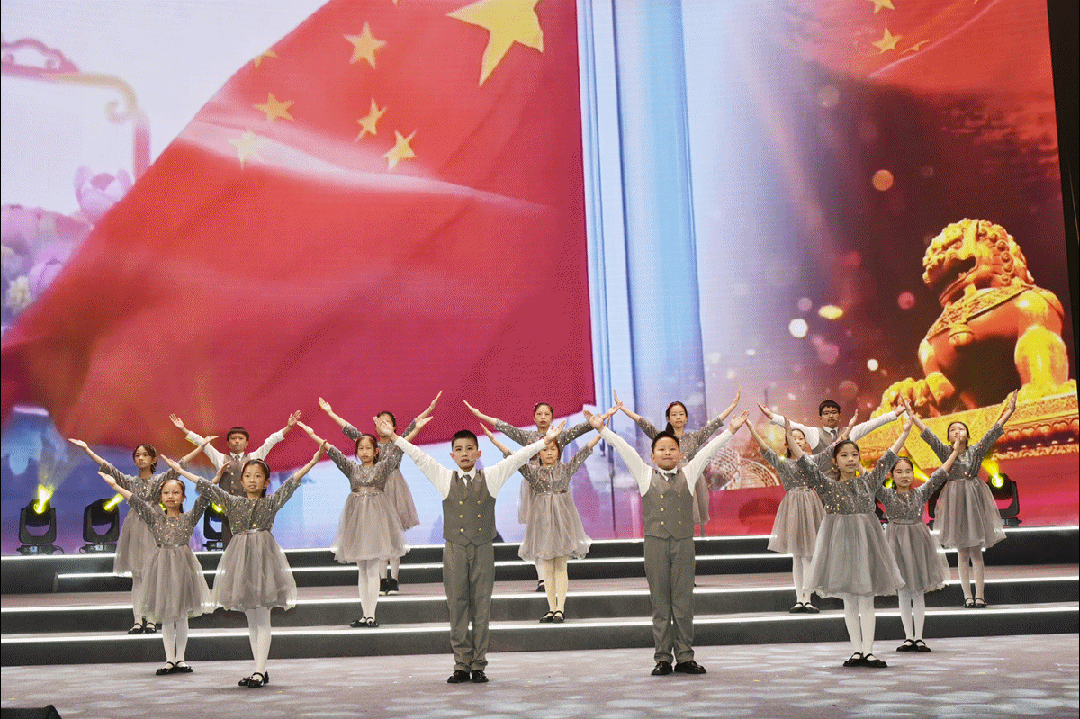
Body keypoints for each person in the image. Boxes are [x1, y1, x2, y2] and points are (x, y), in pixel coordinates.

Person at [386, 413, 564, 684]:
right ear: (452, 455)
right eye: (459, 449)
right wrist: (395, 437)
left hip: (483, 550)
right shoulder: (444, 477)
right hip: (454, 551)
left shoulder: (490, 477)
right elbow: (419, 457)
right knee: (457, 606)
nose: (465, 453)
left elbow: (517, 458)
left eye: (470, 448)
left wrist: (545, 441)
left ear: (479, 453)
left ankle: (478, 664)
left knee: (481, 607)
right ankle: (461, 664)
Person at [588, 404, 750, 676]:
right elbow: (624, 449)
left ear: (680, 454)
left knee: (684, 602)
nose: (667, 452)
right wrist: (601, 429)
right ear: (652, 456)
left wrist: (731, 430)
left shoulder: (690, 472)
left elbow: (709, 450)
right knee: (660, 602)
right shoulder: (644, 474)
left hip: (683, 544)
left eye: (672, 449)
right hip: (655, 545)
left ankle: (685, 656)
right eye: (661, 449)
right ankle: (662, 657)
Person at [164, 447, 323, 687]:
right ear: (241, 481)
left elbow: (291, 483)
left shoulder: (271, 502)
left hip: (264, 560)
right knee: (251, 618)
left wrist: (311, 463)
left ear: (266, 482)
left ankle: (259, 670)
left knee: (263, 616)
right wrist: (180, 470)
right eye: (247, 476)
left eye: (258, 476)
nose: (252, 480)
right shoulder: (232, 502)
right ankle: (259, 669)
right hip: (240, 561)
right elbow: (206, 486)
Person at [786, 416, 912, 668]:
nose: (851, 459)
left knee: (867, 598)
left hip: (868, 543)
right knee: (849, 600)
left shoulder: (870, 481)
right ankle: (856, 650)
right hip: (840, 545)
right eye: (844, 455)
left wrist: (905, 432)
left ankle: (869, 651)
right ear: (835, 461)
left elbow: (889, 457)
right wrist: (790, 436)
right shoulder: (826, 484)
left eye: (854, 455)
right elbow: (804, 462)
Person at [69, 436, 213, 634]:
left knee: (154, 575)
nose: (141, 458)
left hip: (156, 526)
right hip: (135, 527)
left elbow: (181, 464)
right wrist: (87, 449)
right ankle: (138, 620)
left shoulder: (161, 480)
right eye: (137, 455)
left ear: (153, 459)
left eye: (145, 455)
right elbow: (108, 467)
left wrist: (201, 447)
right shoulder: (129, 481)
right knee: (137, 577)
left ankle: (152, 620)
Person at [464, 400, 593, 593]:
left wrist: (602, 419)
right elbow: (506, 428)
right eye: (539, 414)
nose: (543, 418)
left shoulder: (560, 435)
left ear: (552, 417)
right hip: (535, 487)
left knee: (558, 532)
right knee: (538, 533)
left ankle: (557, 576)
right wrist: (482, 416)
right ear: (533, 417)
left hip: (557, 489)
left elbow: (583, 429)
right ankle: (542, 579)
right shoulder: (528, 437)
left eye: (546, 414)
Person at [319, 394, 439, 595]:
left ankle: (394, 580)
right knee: (380, 536)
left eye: (388, 422)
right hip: (375, 492)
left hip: (395, 489)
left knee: (394, 536)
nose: (383, 425)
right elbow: (349, 429)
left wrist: (430, 408)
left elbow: (414, 426)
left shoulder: (397, 442)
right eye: (380, 422)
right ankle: (382, 580)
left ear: (394, 426)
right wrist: (330, 413)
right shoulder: (370, 444)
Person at [481, 423, 600, 622]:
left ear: (559, 451)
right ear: (538, 453)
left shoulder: (566, 469)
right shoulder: (533, 472)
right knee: (547, 567)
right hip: (542, 523)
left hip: (562, 523)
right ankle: (551, 608)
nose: (549, 453)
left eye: (553, 449)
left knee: (561, 565)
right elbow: (513, 457)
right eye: (545, 449)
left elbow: (583, 452)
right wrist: (494, 441)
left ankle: (560, 608)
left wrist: (600, 432)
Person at [96, 470, 212, 675]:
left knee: (181, 615)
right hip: (162, 568)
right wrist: (115, 486)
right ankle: (169, 660)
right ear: (160, 497)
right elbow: (136, 501)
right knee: (166, 615)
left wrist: (216, 478)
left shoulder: (189, 517)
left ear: (183, 497)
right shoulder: (154, 518)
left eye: (175, 493)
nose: (170, 496)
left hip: (183, 567)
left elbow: (204, 498)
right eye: (166, 493)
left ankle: (181, 659)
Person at [906, 392, 1016, 607]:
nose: (957, 432)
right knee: (962, 552)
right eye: (953, 430)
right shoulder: (945, 451)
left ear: (968, 434)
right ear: (948, 437)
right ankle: (967, 596)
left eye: (961, 429)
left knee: (976, 552)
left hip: (974, 498)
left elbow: (994, 431)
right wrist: (912, 416)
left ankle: (980, 596)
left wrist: (1009, 411)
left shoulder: (976, 450)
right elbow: (927, 433)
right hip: (955, 501)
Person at [744, 413, 859, 613]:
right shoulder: (781, 462)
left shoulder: (812, 460)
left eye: (801, 438)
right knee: (797, 557)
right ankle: (799, 599)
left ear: (805, 443)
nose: (797, 440)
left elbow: (834, 446)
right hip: (793, 507)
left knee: (808, 556)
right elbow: (764, 448)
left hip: (810, 504)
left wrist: (849, 427)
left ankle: (808, 598)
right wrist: (751, 427)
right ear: (787, 442)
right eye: (793, 437)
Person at [296, 421, 404, 628]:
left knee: (373, 568)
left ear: (376, 451)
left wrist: (404, 431)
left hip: (376, 520)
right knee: (362, 570)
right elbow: (333, 452)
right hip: (356, 520)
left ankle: (371, 616)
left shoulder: (383, 467)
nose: (364, 452)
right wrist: (312, 433)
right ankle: (365, 615)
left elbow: (399, 449)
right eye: (361, 448)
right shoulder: (352, 468)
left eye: (368, 448)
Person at [613, 389, 742, 533]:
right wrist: (623, 409)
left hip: (692, 480)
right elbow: (644, 423)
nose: (678, 417)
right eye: (674, 415)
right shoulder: (663, 438)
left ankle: (699, 541)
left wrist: (732, 407)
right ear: (668, 418)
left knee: (694, 518)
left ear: (686, 418)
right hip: (669, 480)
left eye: (681, 414)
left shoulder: (695, 437)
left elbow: (714, 424)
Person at [169, 411, 301, 548]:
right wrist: (183, 429)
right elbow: (202, 443)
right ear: (228, 442)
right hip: (229, 509)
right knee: (230, 546)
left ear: (246, 442)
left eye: (240, 438)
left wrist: (288, 427)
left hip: (252, 509)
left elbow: (271, 441)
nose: (237, 441)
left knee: (253, 544)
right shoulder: (220, 458)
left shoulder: (254, 457)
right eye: (233, 438)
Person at [877, 447, 962, 653]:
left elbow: (940, 473)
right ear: (891, 475)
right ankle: (908, 637)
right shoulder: (886, 494)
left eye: (908, 471)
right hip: (896, 544)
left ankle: (919, 638)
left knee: (918, 591)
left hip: (918, 543)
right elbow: (870, 476)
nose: (904, 475)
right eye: (899, 471)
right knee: (903, 591)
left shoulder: (921, 492)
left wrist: (955, 452)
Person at [761, 399, 904, 455]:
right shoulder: (814, 433)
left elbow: (873, 423)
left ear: (840, 416)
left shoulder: (851, 432)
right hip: (822, 489)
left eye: (834, 413)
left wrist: (895, 413)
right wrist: (771, 416)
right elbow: (791, 424)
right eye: (826, 413)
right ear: (820, 418)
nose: (830, 416)